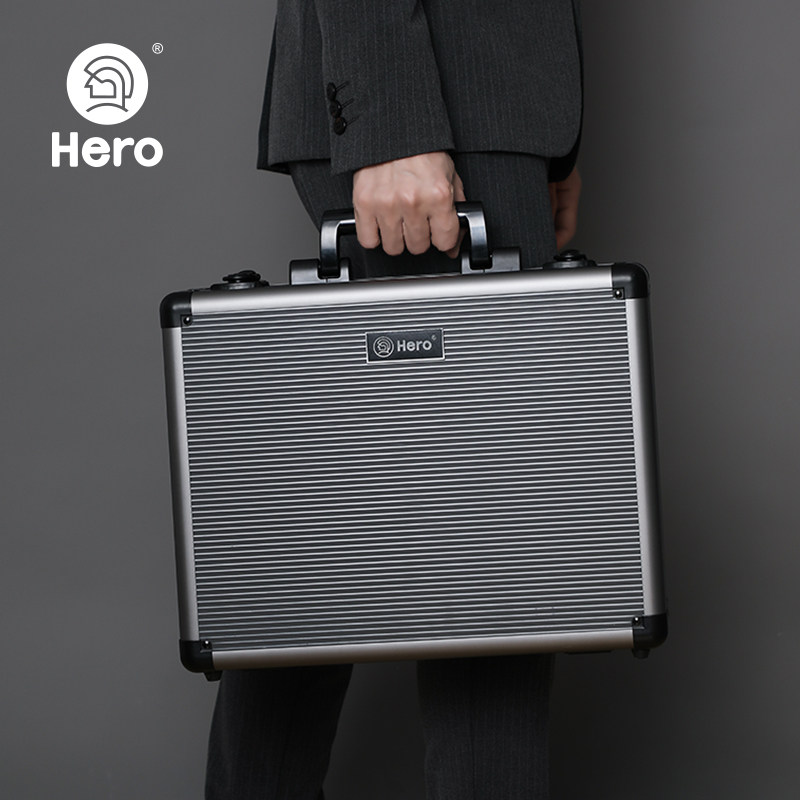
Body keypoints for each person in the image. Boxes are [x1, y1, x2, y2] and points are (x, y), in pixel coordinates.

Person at [206, 2, 583, 798]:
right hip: (433, 103)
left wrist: (550, 134)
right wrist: (390, 125)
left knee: (331, 541)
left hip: (481, 103)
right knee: (487, 568)